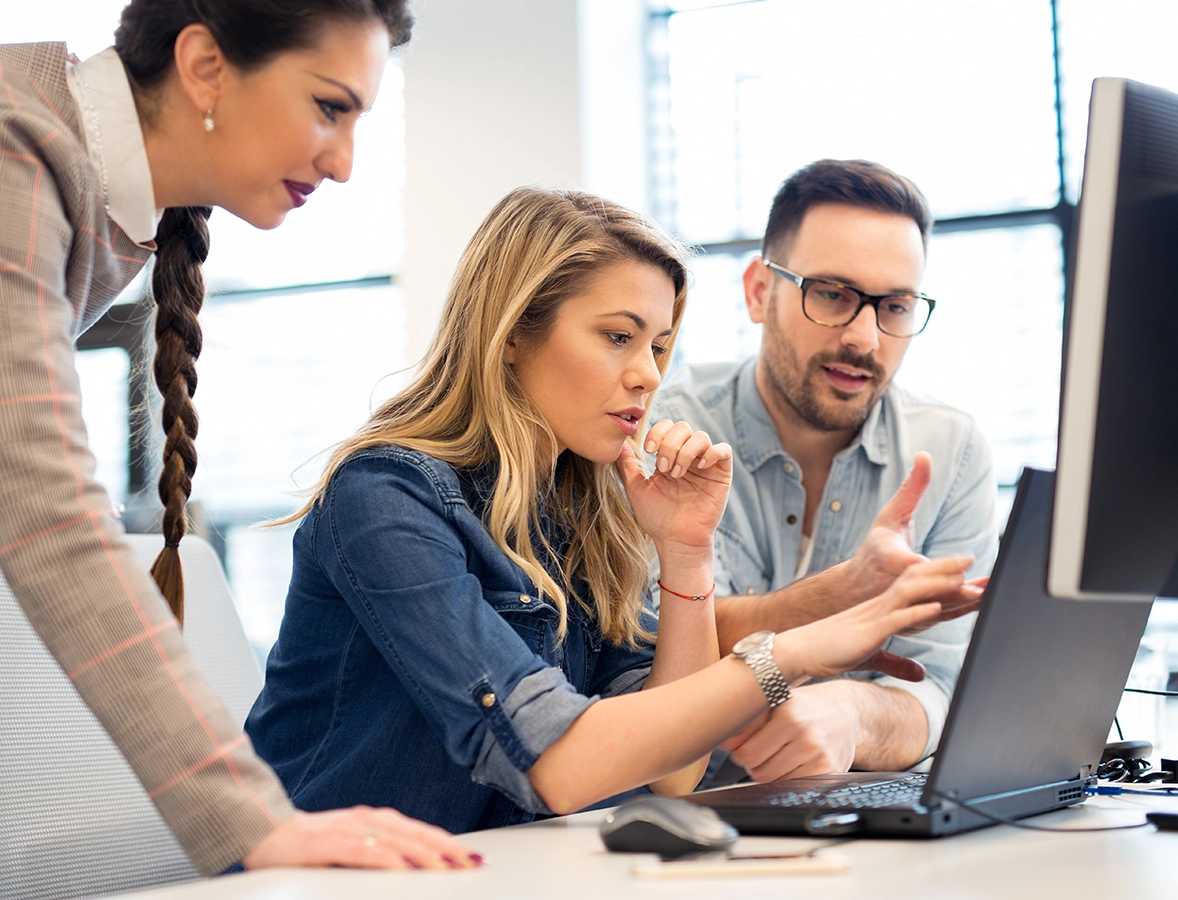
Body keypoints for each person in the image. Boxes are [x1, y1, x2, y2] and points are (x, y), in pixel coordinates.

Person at [244, 186, 978, 834]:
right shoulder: (384, 497)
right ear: (512, 334)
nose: (649, 374)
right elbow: (558, 763)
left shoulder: (576, 512)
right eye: (619, 337)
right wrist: (786, 653)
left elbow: (675, 771)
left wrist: (685, 552)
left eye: (659, 345)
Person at [0, 0, 480, 876]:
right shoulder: (13, 152)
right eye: (329, 107)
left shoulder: (94, 193)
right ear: (205, 66)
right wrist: (254, 822)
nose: (342, 164)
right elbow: (44, 514)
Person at [651, 159, 998, 786]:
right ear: (760, 292)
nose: (865, 338)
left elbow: (948, 692)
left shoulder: (953, 451)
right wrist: (850, 592)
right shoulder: (667, 435)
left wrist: (855, 714)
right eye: (833, 295)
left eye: (895, 306)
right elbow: (670, 648)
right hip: (685, 823)